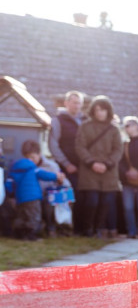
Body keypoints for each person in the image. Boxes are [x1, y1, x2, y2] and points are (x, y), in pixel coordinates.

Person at [75, 95, 123, 239]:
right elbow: (80, 146)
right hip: (89, 170)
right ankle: (88, 228)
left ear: (108, 111)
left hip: (108, 171)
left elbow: (118, 149)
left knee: (106, 202)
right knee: (92, 201)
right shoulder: (85, 126)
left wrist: (107, 164)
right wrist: (91, 163)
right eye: (97, 110)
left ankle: (98, 229)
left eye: (103, 110)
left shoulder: (114, 129)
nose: (100, 113)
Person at [10, 140, 65, 241]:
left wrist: (11, 193)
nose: (31, 160)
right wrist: (57, 176)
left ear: (39, 154)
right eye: (29, 157)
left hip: (20, 198)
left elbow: (10, 183)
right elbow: (45, 175)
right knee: (34, 217)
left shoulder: (15, 168)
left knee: (22, 216)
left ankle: (19, 233)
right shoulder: (33, 168)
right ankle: (31, 235)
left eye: (33, 157)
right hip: (33, 198)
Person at [48, 90, 85, 232]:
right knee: (65, 198)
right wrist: (66, 163)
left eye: (79, 103)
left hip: (84, 168)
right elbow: (53, 144)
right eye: (74, 102)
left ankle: (79, 229)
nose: (77, 106)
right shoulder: (58, 120)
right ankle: (62, 228)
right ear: (66, 103)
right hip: (65, 168)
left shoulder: (85, 121)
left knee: (82, 198)